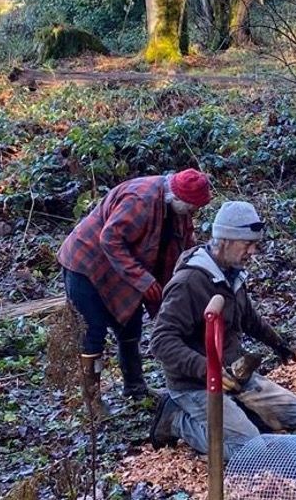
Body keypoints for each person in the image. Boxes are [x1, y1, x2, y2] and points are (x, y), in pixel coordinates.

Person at [145, 201, 296, 454]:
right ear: (225, 241)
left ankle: (235, 413)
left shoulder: (232, 272)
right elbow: (161, 341)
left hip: (233, 375)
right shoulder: (189, 282)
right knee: (248, 451)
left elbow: (249, 317)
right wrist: (206, 369)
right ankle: (177, 421)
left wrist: (279, 344)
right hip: (195, 384)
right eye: (248, 244)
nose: (253, 251)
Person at [59, 169, 211, 399]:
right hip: (87, 265)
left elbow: (182, 250)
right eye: (192, 207)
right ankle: (92, 400)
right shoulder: (141, 199)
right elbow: (110, 239)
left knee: (130, 328)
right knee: (93, 332)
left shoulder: (177, 212)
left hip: (123, 269)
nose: (194, 212)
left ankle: (135, 388)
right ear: (177, 198)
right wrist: (143, 280)